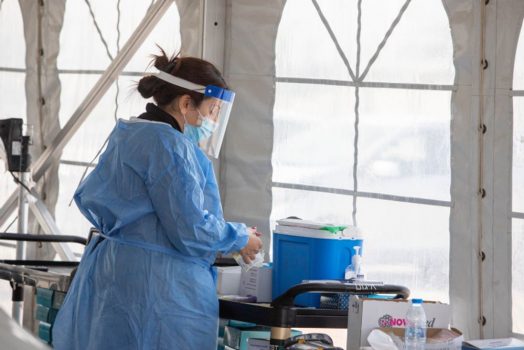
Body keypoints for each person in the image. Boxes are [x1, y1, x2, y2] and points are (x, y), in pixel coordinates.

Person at [52, 48, 263, 350]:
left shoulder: (131, 133)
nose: (213, 121)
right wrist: (239, 238)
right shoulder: (169, 146)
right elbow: (189, 228)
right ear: (186, 102)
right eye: (212, 110)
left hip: (120, 275)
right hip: (159, 290)